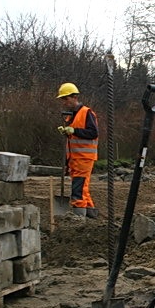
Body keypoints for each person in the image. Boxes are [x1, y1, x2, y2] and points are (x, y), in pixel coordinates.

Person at [56, 82, 99, 218]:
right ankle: (92, 217)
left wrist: (74, 130)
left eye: (66, 99)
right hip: (75, 159)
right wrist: (68, 132)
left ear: (74, 97)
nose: (64, 102)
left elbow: (93, 133)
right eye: (62, 99)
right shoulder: (70, 116)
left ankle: (79, 220)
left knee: (78, 190)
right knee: (83, 189)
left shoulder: (87, 113)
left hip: (84, 158)